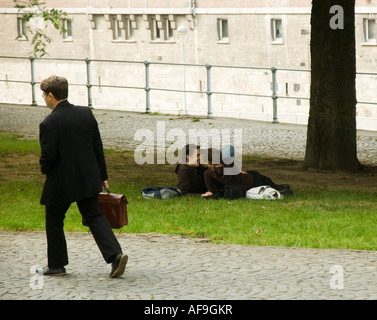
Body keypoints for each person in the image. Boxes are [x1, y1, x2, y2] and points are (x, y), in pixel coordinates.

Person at [38, 75, 128, 278]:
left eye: (44, 95)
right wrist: (102, 175)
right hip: (88, 178)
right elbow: (97, 146)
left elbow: (48, 157)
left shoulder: (49, 122)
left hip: (60, 181)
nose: (44, 98)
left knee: (54, 219)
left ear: (51, 96)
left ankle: (57, 265)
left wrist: (44, 168)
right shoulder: (85, 114)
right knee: (94, 215)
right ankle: (115, 255)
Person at [202, 146, 292, 199]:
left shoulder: (212, 171)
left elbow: (226, 178)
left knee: (261, 178)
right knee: (262, 182)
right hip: (246, 183)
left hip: (244, 180)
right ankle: (278, 189)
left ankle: (278, 187)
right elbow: (226, 180)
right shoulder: (212, 171)